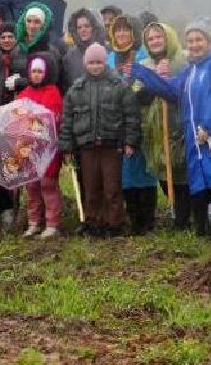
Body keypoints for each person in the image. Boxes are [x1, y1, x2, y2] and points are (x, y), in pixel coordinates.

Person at [131, 21, 211, 236]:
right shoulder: (190, 70)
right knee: (202, 185)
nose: (194, 45)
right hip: (197, 141)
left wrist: (209, 125)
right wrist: (142, 73)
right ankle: (204, 231)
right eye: (190, 41)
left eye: (199, 39)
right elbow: (171, 90)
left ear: (209, 42)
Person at [60, 43, 142, 236]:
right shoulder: (76, 89)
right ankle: (93, 222)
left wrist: (130, 141)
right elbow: (67, 120)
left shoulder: (119, 86)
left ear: (105, 62)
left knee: (112, 188)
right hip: (86, 147)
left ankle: (115, 223)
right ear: (85, 64)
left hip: (111, 146)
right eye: (91, 63)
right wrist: (67, 147)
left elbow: (131, 115)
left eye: (99, 62)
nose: (95, 66)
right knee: (91, 187)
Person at [107, 15, 159, 233]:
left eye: (125, 30)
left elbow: (151, 82)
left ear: (134, 32)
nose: (121, 34)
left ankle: (147, 219)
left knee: (145, 168)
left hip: (143, 117)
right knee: (126, 170)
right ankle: (134, 217)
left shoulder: (143, 54)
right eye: (117, 31)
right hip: (119, 121)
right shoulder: (110, 58)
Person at [140, 20, 189, 228]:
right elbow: (138, 96)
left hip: (179, 122)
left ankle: (187, 215)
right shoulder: (145, 66)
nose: (155, 41)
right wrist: (154, 81)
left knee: (182, 169)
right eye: (150, 38)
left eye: (159, 36)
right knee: (162, 166)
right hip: (155, 126)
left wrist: (170, 80)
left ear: (168, 37)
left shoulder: (183, 61)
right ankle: (175, 211)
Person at [17, 56, 65, 238]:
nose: (36, 75)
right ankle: (34, 222)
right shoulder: (24, 94)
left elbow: (53, 118)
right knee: (32, 187)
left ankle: (52, 222)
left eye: (40, 72)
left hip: (48, 148)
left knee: (48, 184)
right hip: (29, 148)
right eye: (34, 72)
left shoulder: (52, 93)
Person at [62, 7, 106, 89]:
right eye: (79, 27)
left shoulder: (108, 52)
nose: (83, 30)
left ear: (95, 27)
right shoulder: (70, 56)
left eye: (87, 26)